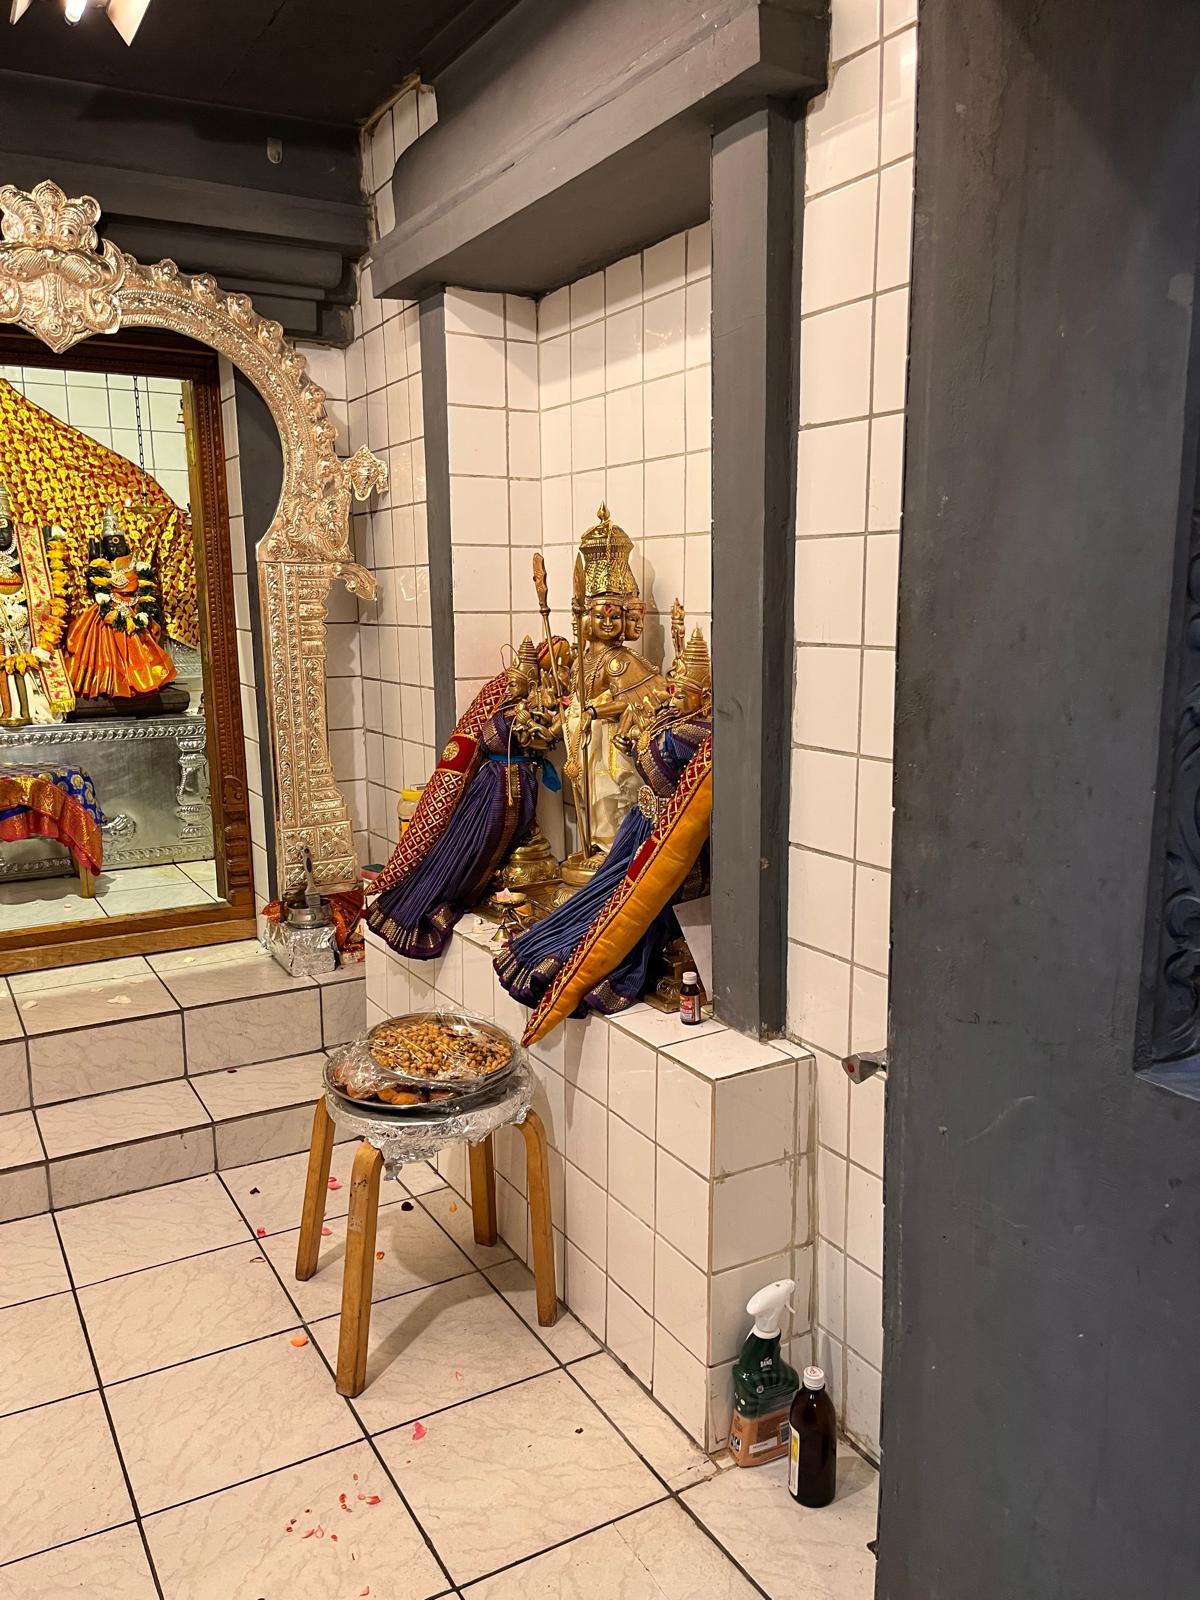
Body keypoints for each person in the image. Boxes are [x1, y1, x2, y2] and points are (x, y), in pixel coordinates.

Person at [495, 628, 712, 1017]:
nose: (673, 698)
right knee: (608, 896)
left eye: (683, 694)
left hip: (668, 832)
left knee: (635, 905)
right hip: (640, 822)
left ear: (706, 699)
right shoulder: (671, 717)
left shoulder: (699, 733)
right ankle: (557, 955)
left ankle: (611, 964)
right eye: (674, 691)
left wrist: (630, 734)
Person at [367, 638, 555, 960]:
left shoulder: (527, 711)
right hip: (497, 785)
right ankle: (448, 891)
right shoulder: (508, 712)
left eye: (516, 684)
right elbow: (503, 739)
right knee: (474, 844)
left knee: (497, 839)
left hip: (513, 782)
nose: (510, 689)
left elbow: (544, 739)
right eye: (509, 684)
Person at [63, 505, 176, 699]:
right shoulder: (102, 565)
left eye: (118, 542)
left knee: (141, 644)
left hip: (134, 609)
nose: (115, 547)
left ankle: (143, 680)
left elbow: (144, 589)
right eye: (111, 543)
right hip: (107, 613)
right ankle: (109, 684)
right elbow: (95, 587)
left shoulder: (136, 564)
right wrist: (93, 564)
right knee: (101, 645)